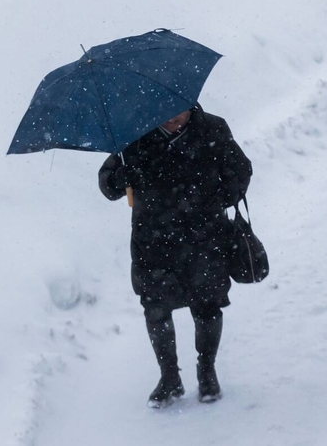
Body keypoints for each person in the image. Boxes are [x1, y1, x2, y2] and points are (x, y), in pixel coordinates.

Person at [98, 104, 253, 408]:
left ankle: (207, 370)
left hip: (204, 239)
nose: (173, 117)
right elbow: (107, 185)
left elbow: (241, 170)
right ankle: (169, 377)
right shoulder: (134, 136)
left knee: (207, 305)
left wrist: (221, 197)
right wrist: (121, 176)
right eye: (166, 111)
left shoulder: (213, 128)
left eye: (179, 110)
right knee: (155, 309)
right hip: (153, 242)